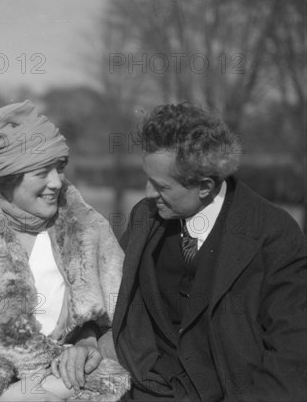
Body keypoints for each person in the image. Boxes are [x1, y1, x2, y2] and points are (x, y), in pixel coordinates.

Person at [0, 101, 130, 401]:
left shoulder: (85, 226)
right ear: (8, 178)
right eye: (42, 172)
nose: (56, 183)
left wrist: (88, 345)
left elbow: (113, 320)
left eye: (59, 168)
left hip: (68, 381)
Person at [110, 102, 307, 401]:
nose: (148, 194)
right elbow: (109, 292)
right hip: (147, 386)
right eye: (147, 180)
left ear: (204, 186)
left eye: (160, 186)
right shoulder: (145, 217)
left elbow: (292, 352)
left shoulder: (274, 235)